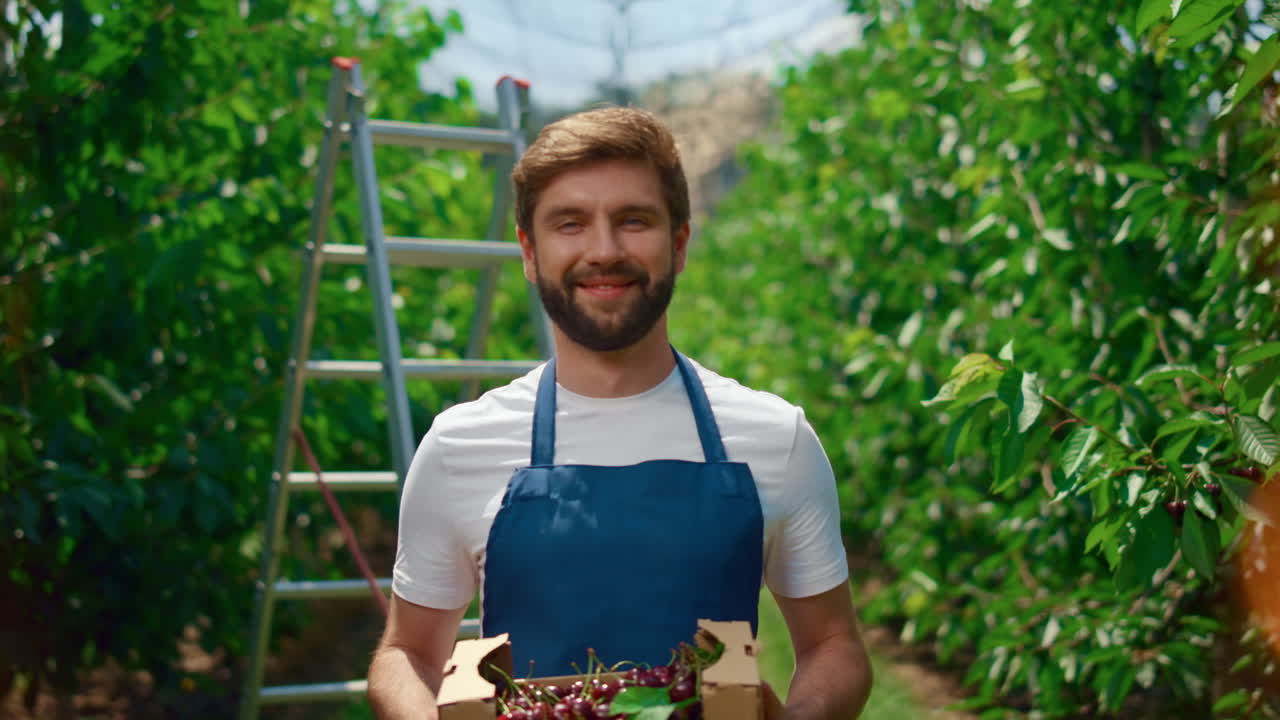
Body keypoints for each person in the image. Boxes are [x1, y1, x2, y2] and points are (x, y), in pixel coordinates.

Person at [367, 106, 872, 719]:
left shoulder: (773, 437)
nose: (603, 250)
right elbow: (408, 653)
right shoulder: (458, 446)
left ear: (679, 243)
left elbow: (833, 646)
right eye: (570, 223)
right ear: (529, 252)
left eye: (633, 220)